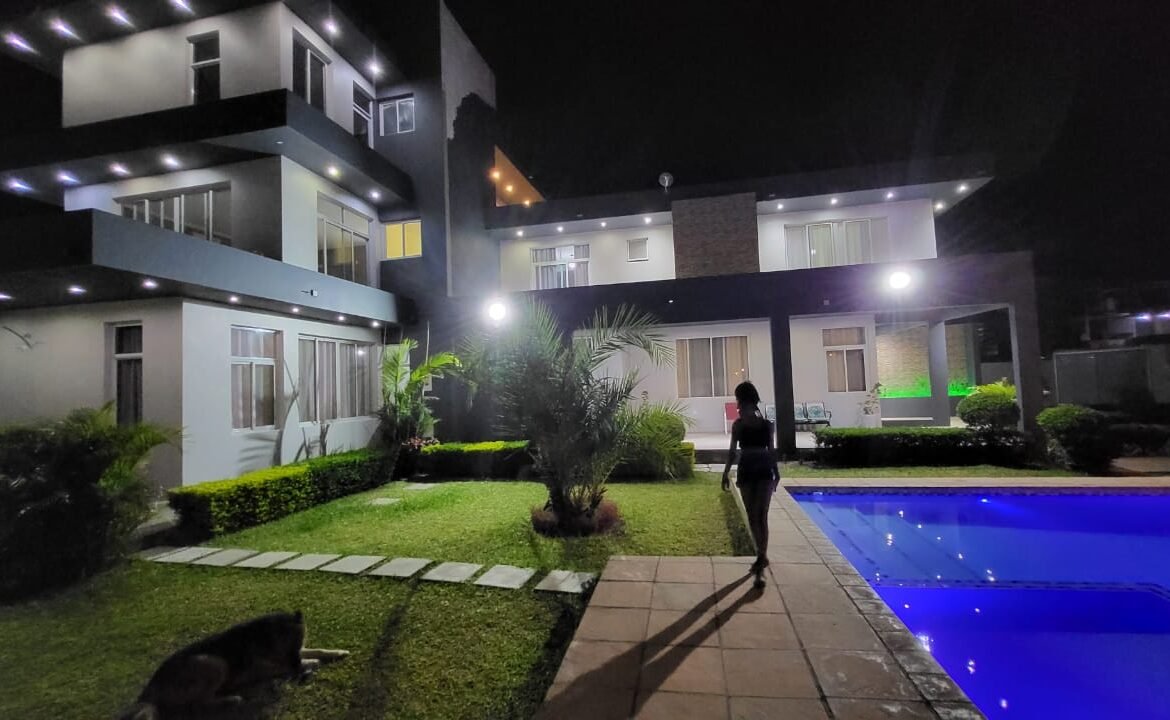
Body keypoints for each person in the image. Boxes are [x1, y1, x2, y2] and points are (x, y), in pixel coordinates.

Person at [721, 381, 779, 589]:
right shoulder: (745, 425)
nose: (738, 403)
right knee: (756, 517)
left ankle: (760, 560)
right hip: (752, 470)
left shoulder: (762, 425)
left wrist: (776, 472)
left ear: (743, 400)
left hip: (758, 471)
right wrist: (726, 472)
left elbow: (770, 450)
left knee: (759, 516)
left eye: (739, 399)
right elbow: (733, 452)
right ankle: (761, 557)